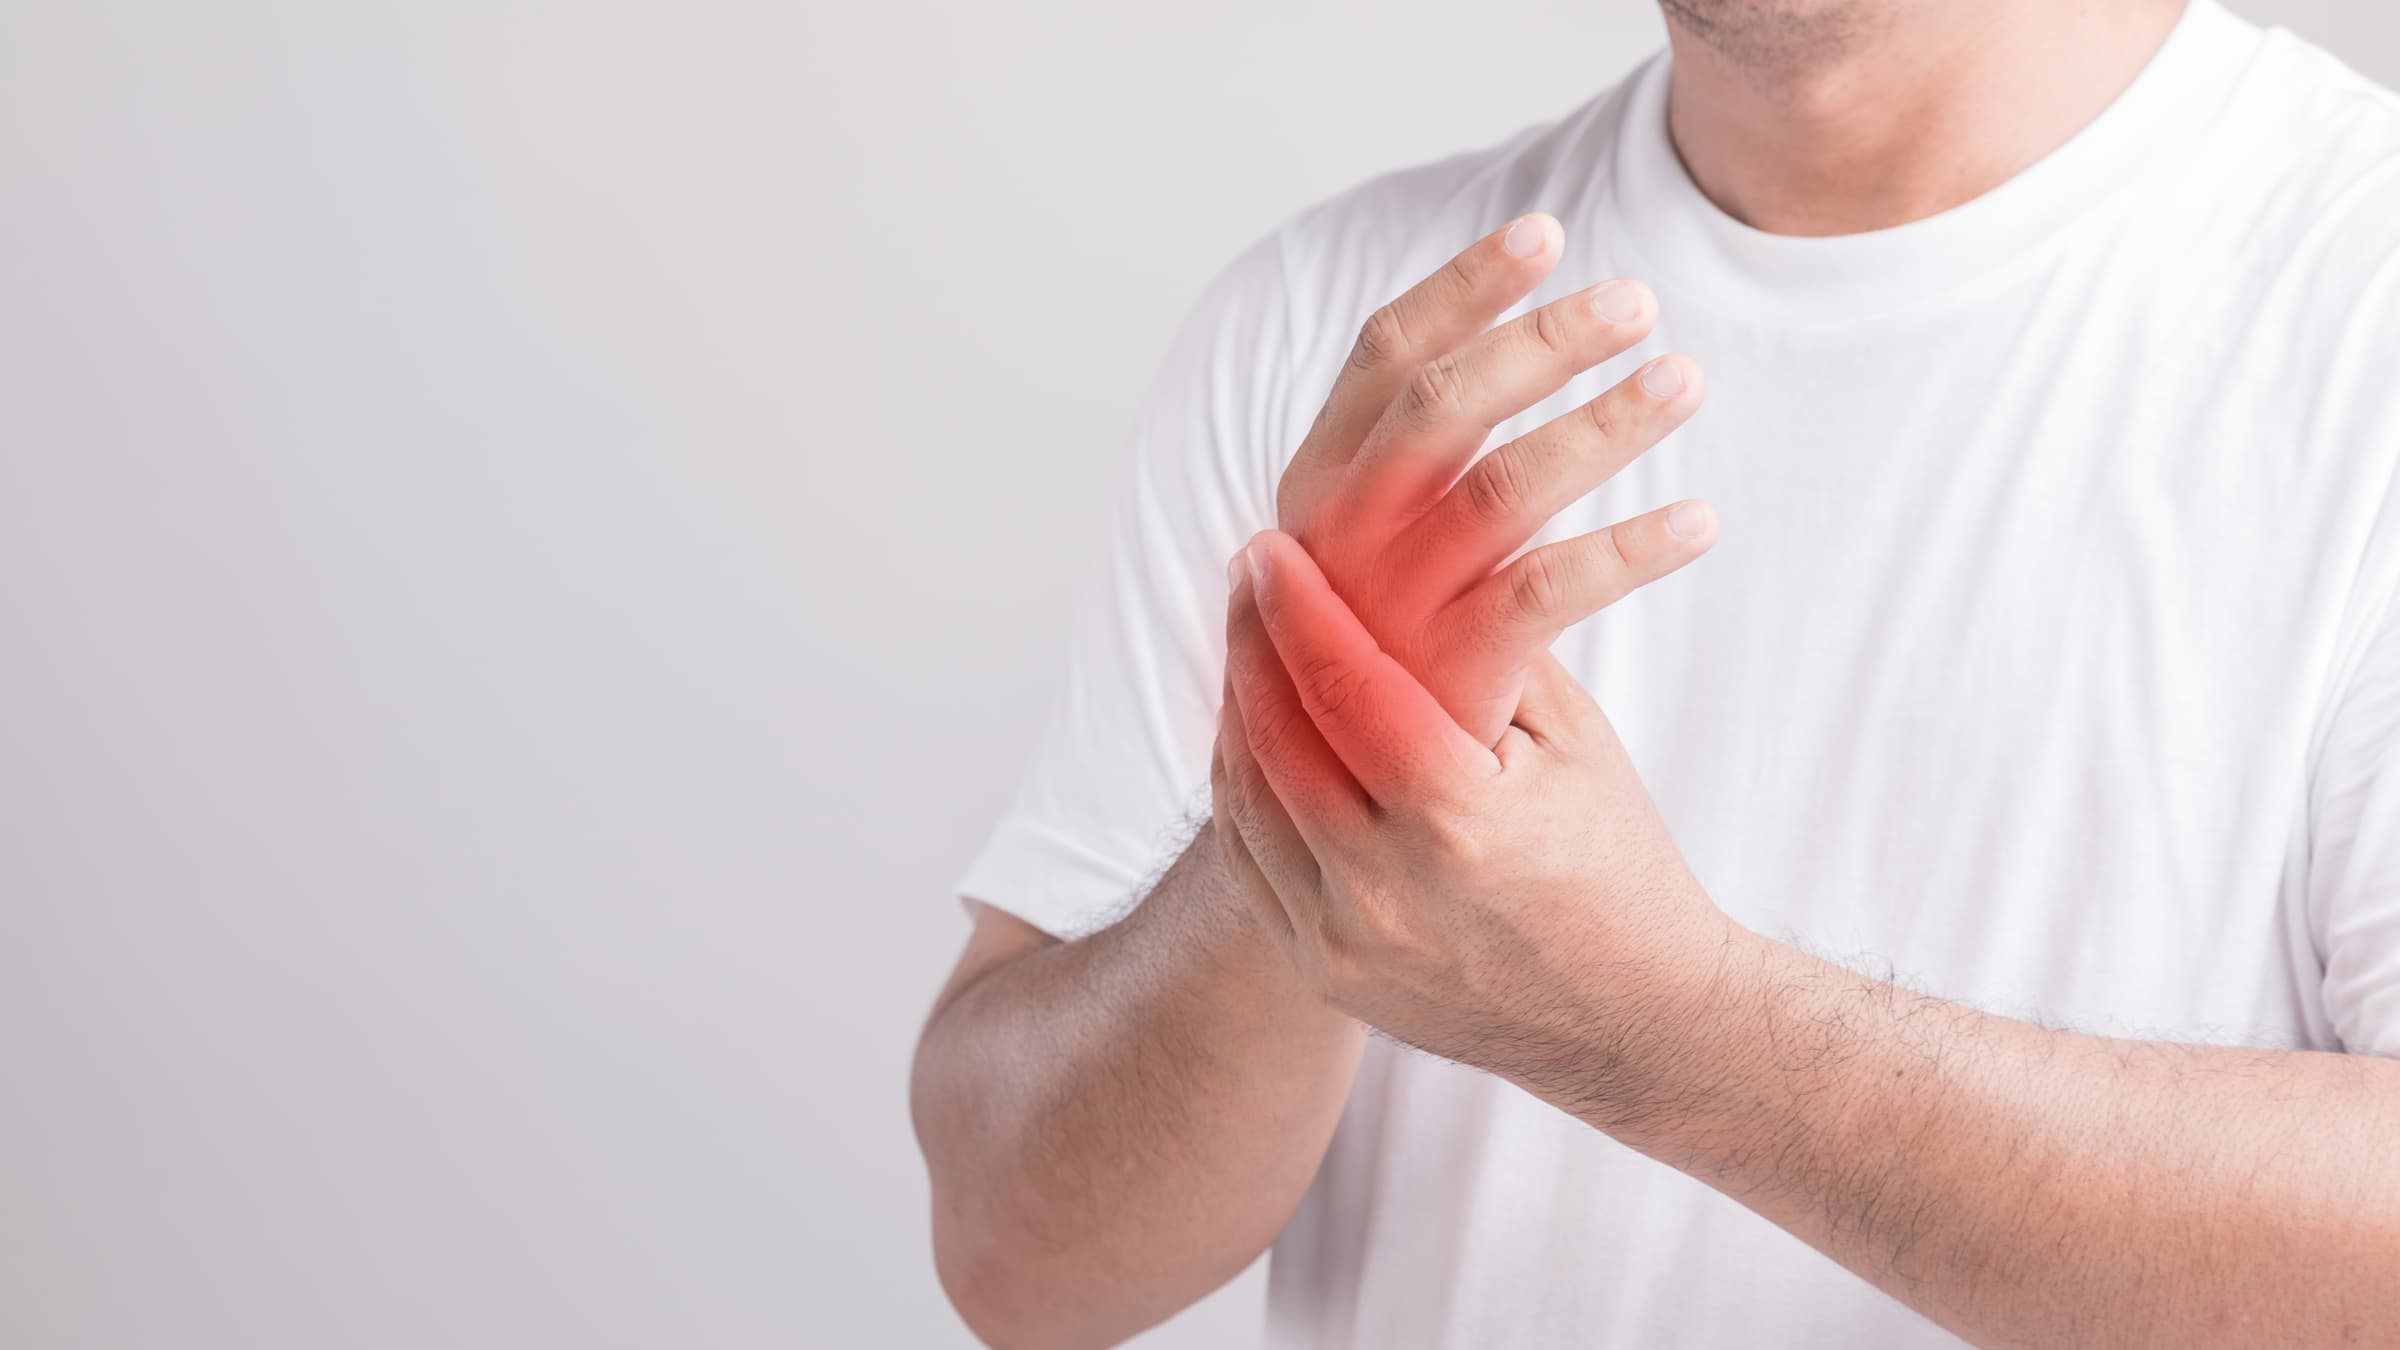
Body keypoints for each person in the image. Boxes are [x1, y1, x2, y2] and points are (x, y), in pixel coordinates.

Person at [911, 0, 2400, 1344]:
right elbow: (1018, 1262)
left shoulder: (2355, 298)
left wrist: (1657, 1021)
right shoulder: (1334, 328)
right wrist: (1313, 808)